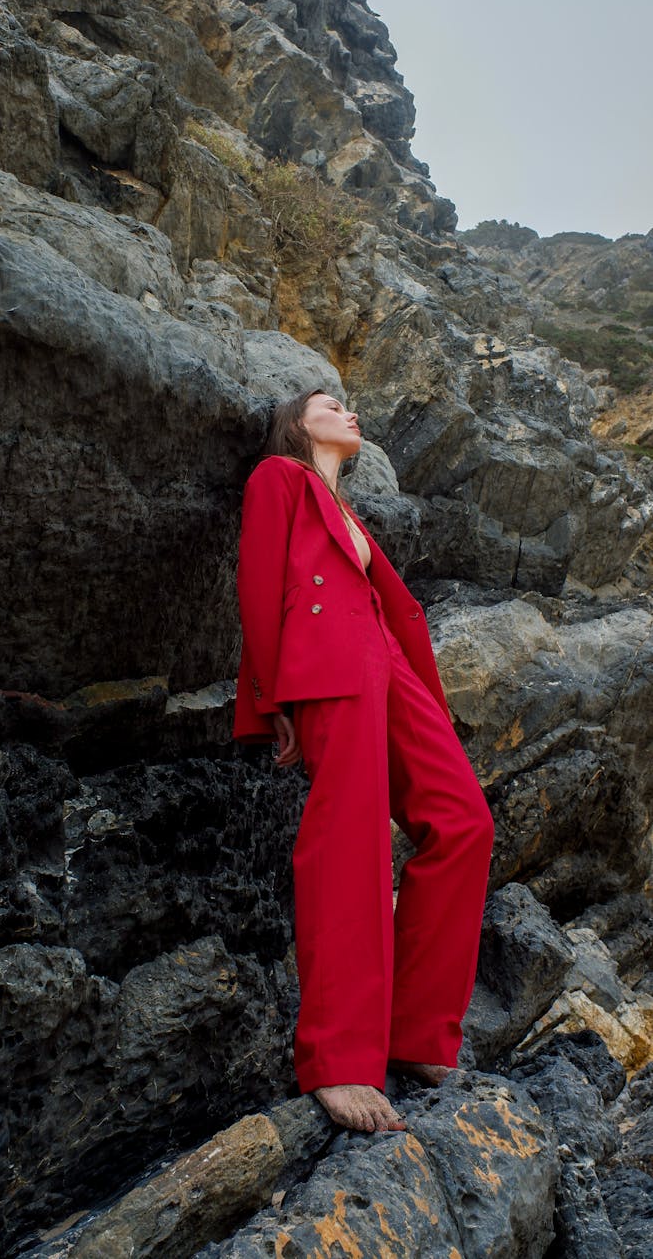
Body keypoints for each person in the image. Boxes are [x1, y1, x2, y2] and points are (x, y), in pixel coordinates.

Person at [233, 387, 494, 1134]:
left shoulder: (348, 513)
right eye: (328, 403)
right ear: (295, 424)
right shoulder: (277, 478)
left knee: (464, 820)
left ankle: (415, 1033)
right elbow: (257, 581)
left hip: (388, 662)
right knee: (350, 834)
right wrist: (269, 695)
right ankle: (340, 1056)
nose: (348, 411)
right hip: (327, 659)